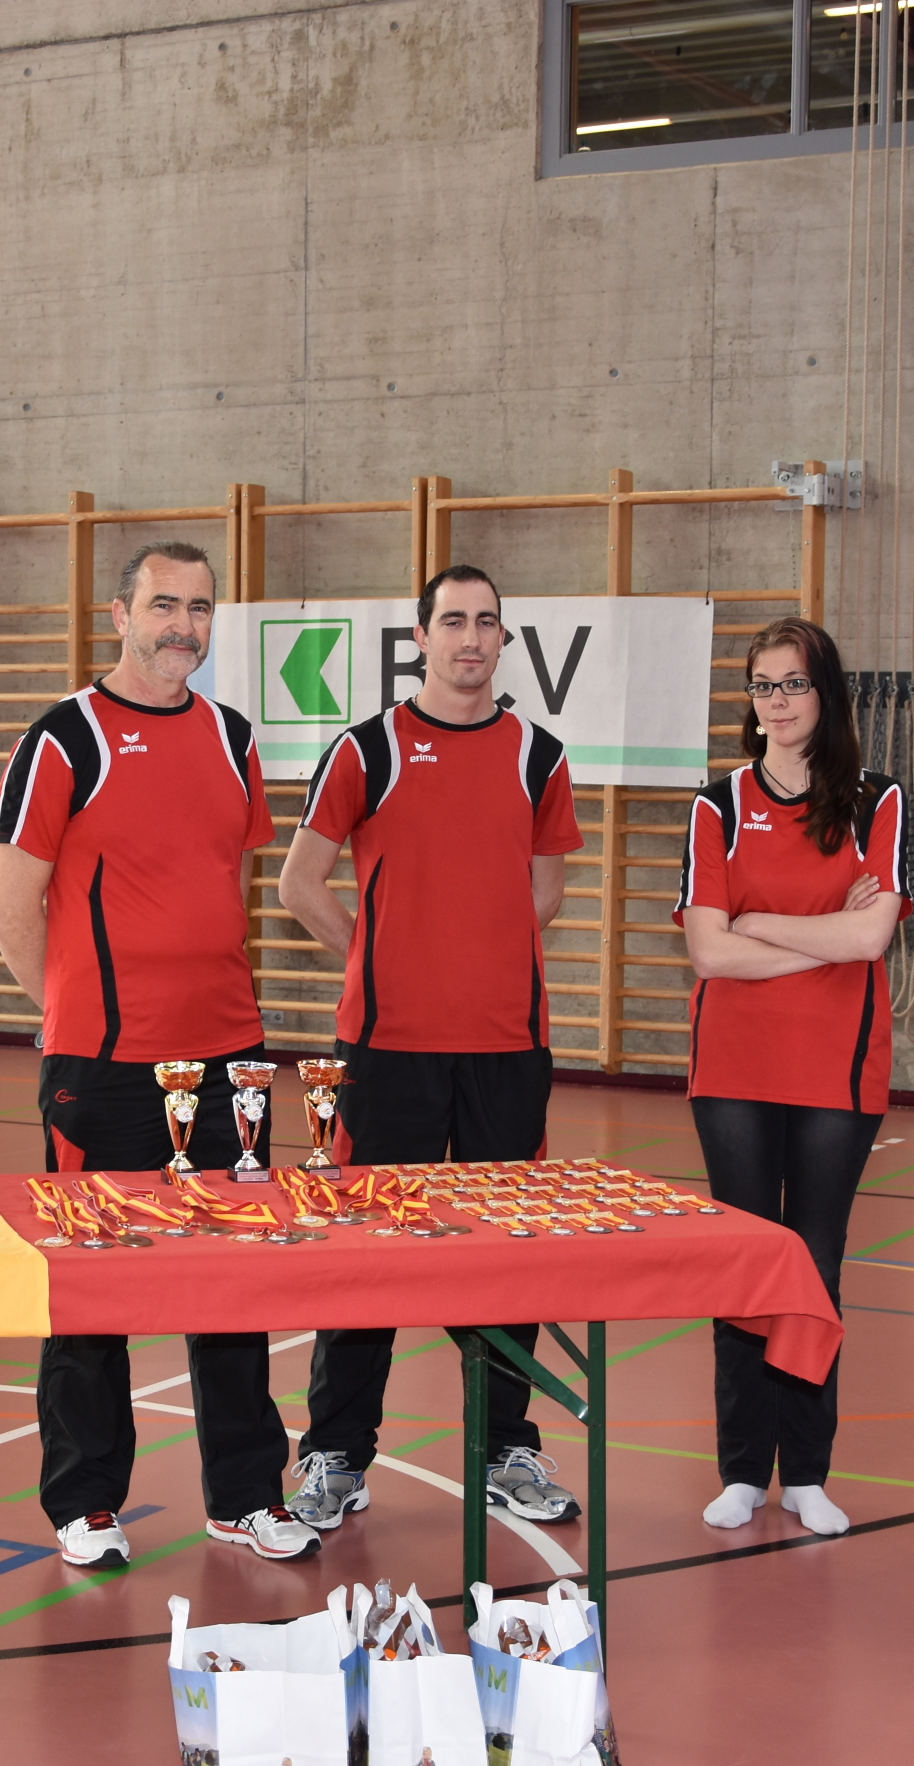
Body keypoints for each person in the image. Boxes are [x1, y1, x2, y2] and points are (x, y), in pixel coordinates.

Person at [0, 541, 318, 1567]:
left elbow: (218, 882)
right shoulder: (63, 738)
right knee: (93, 1285)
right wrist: (74, 1020)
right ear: (120, 615)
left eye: (200, 608)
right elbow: (8, 906)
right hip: (104, 1067)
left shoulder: (232, 737)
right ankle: (86, 1503)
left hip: (231, 1063)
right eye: (164, 604)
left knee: (234, 1280)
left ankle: (246, 1494)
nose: (183, 625)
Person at [275, 564, 586, 1532]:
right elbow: (298, 883)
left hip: (506, 1050)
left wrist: (474, 954)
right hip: (387, 1049)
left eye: (487, 622)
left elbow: (544, 894)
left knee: (504, 1256)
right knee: (367, 1251)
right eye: (453, 620)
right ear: (421, 637)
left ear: (503, 640)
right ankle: (336, 1452)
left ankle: (504, 1449)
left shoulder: (539, 753)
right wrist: (380, 955)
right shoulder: (367, 747)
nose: (471, 638)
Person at [678, 617, 906, 1537]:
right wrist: (820, 939)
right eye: (763, 686)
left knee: (814, 1264)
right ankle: (742, 1469)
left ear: (827, 693)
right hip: (734, 1066)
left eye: (794, 684)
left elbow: (873, 935)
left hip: (836, 1070)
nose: (777, 702)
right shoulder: (718, 805)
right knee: (743, 1263)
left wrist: (758, 923)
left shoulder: (877, 801)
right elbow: (708, 953)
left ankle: (806, 1471)